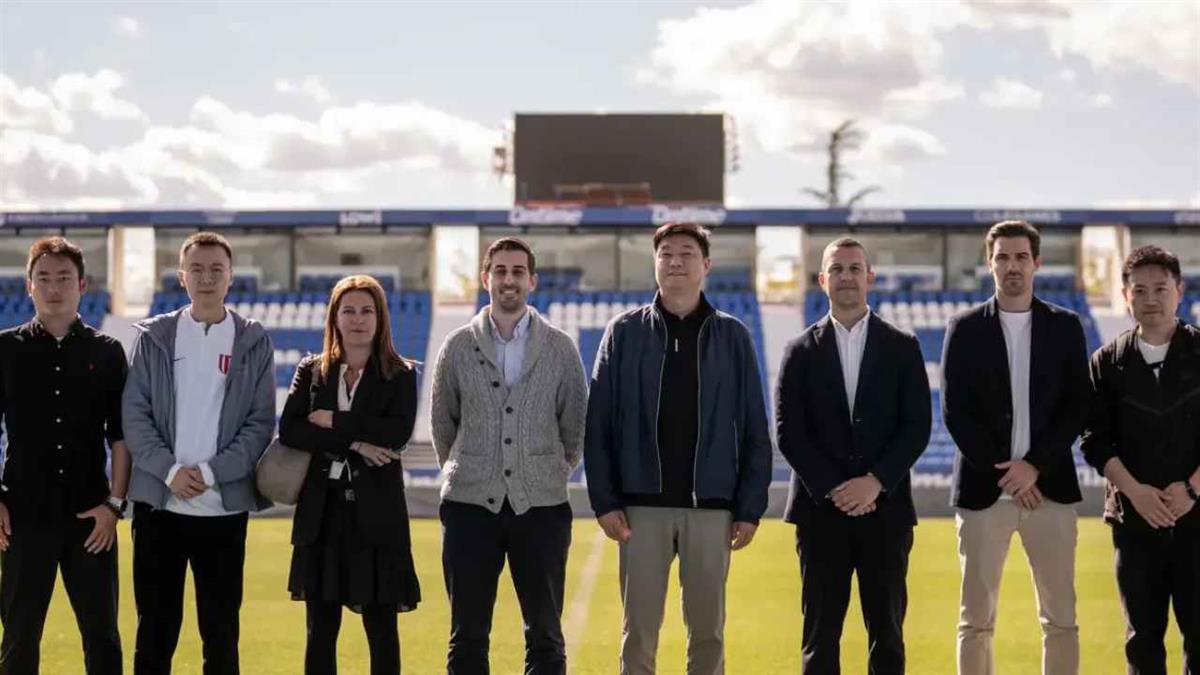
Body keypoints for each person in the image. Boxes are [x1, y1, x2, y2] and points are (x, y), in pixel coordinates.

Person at [584, 222, 772, 675]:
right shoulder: (624, 332)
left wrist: (748, 507)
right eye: (666, 253)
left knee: (708, 634)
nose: (675, 262)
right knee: (638, 634)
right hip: (640, 510)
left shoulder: (733, 336)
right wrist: (605, 501)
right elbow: (599, 423)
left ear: (706, 265)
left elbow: (753, 426)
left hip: (711, 508)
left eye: (687, 253)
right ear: (655, 263)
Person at [430, 237, 588, 675]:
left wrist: (544, 472)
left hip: (542, 509)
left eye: (518, 271)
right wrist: (473, 469)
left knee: (546, 636)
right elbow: (443, 425)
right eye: (500, 270)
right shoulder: (457, 346)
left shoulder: (560, 347)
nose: (509, 279)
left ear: (532, 280)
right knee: (467, 636)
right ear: (485, 278)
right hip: (468, 509)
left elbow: (575, 426)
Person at [776, 236, 931, 675]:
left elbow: (916, 425)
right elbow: (789, 432)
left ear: (870, 277)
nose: (846, 277)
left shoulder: (903, 346)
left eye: (854, 268)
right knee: (820, 638)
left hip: (886, 514)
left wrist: (875, 482)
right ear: (823, 280)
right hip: (820, 515)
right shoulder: (798, 351)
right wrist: (835, 489)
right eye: (837, 269)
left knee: (887, 637)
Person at [122, 231, 275, 675]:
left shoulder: (253, 340)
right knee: (154, 635)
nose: (206, 278)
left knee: (221, 636)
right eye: (197, 269)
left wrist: (209, 473)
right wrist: (169, 470)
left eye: (216, 270)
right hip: (160, 505)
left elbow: (259, 423)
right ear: (181, 276)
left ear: (231, 277)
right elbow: (135, 414)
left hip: (223, 509)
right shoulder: (154, 336)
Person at [941, 220, 1090, 675]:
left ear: (1036, 263)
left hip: (1050, 492)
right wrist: (1009, 474)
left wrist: (1035, 466)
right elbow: (955, 411)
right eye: (1002, 257)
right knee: (975, 621)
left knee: (1060, 620)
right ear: (990, 264)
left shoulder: (1066, 326)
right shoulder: (964, 328)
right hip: (984, 495)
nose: (1012, 266)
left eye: (1021, 257)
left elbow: (1077, 406)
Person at [279, 274, 421, 675]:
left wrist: (333, 420)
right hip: (321, 517)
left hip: (377, 520)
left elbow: (396, 432)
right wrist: (356, 443)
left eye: (367, 310)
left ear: (380, 318)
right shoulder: (312, 371)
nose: (358, 319)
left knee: (382, 633)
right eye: (349, 311)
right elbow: (291, 430)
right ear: (335, 318)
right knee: (320, 633)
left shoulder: (400, 374)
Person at [0, 237, 129, 675]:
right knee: (18, 639)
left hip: (91, 518)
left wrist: (114, 505)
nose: (53, 288)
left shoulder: (107, 352)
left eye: (63, 278)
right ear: (29, 286)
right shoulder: (5, 350)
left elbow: (121, 436)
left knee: (103, 639)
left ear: (82, 285)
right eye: (43, 278)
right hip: (22, 517)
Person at [1082, 244, 1199, 675]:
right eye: (1139, 290)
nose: (1151, 299)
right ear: (1125, 296)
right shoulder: (1107, 362)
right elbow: (1095, 441)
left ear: (1179, 291)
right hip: (1134, 522)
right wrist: (1136, 493)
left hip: (1197, 519)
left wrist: (1191, 490)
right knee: (1142, 641)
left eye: (1160, 288)